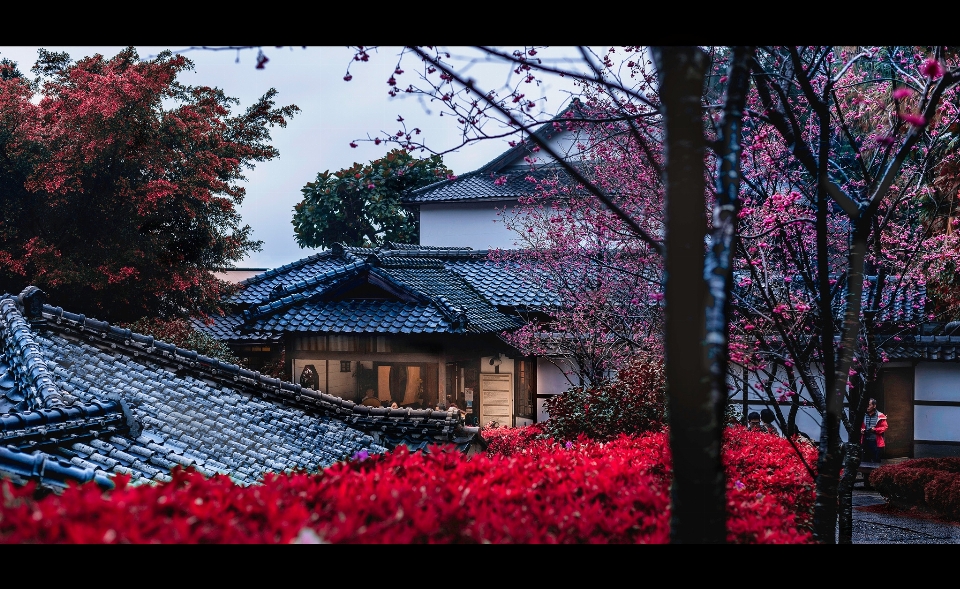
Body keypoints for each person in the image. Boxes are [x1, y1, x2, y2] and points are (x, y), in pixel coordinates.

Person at [861, 398, 888, 464]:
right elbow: (860, 426)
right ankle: (865, 474)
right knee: (865, 462)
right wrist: (862, 430)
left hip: (876, 442)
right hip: (866, 441)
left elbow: (885, 427)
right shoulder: (864, 415)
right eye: (867, 405)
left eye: (869, 405)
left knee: (876, 462)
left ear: (874, 406)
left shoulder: (880, 416)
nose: (868, 407)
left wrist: (875, 430)